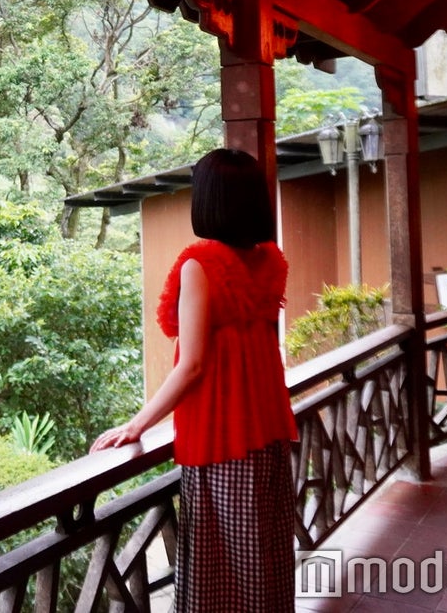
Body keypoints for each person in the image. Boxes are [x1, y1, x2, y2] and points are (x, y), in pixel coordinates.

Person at [91, 147, 298, 612]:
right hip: (268, 433)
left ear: (208, 199)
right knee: (265, 559)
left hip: (223, 437)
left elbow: (194, 365)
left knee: (219, 570)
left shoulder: (200, 263)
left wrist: (137, 424)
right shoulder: (268, 261)